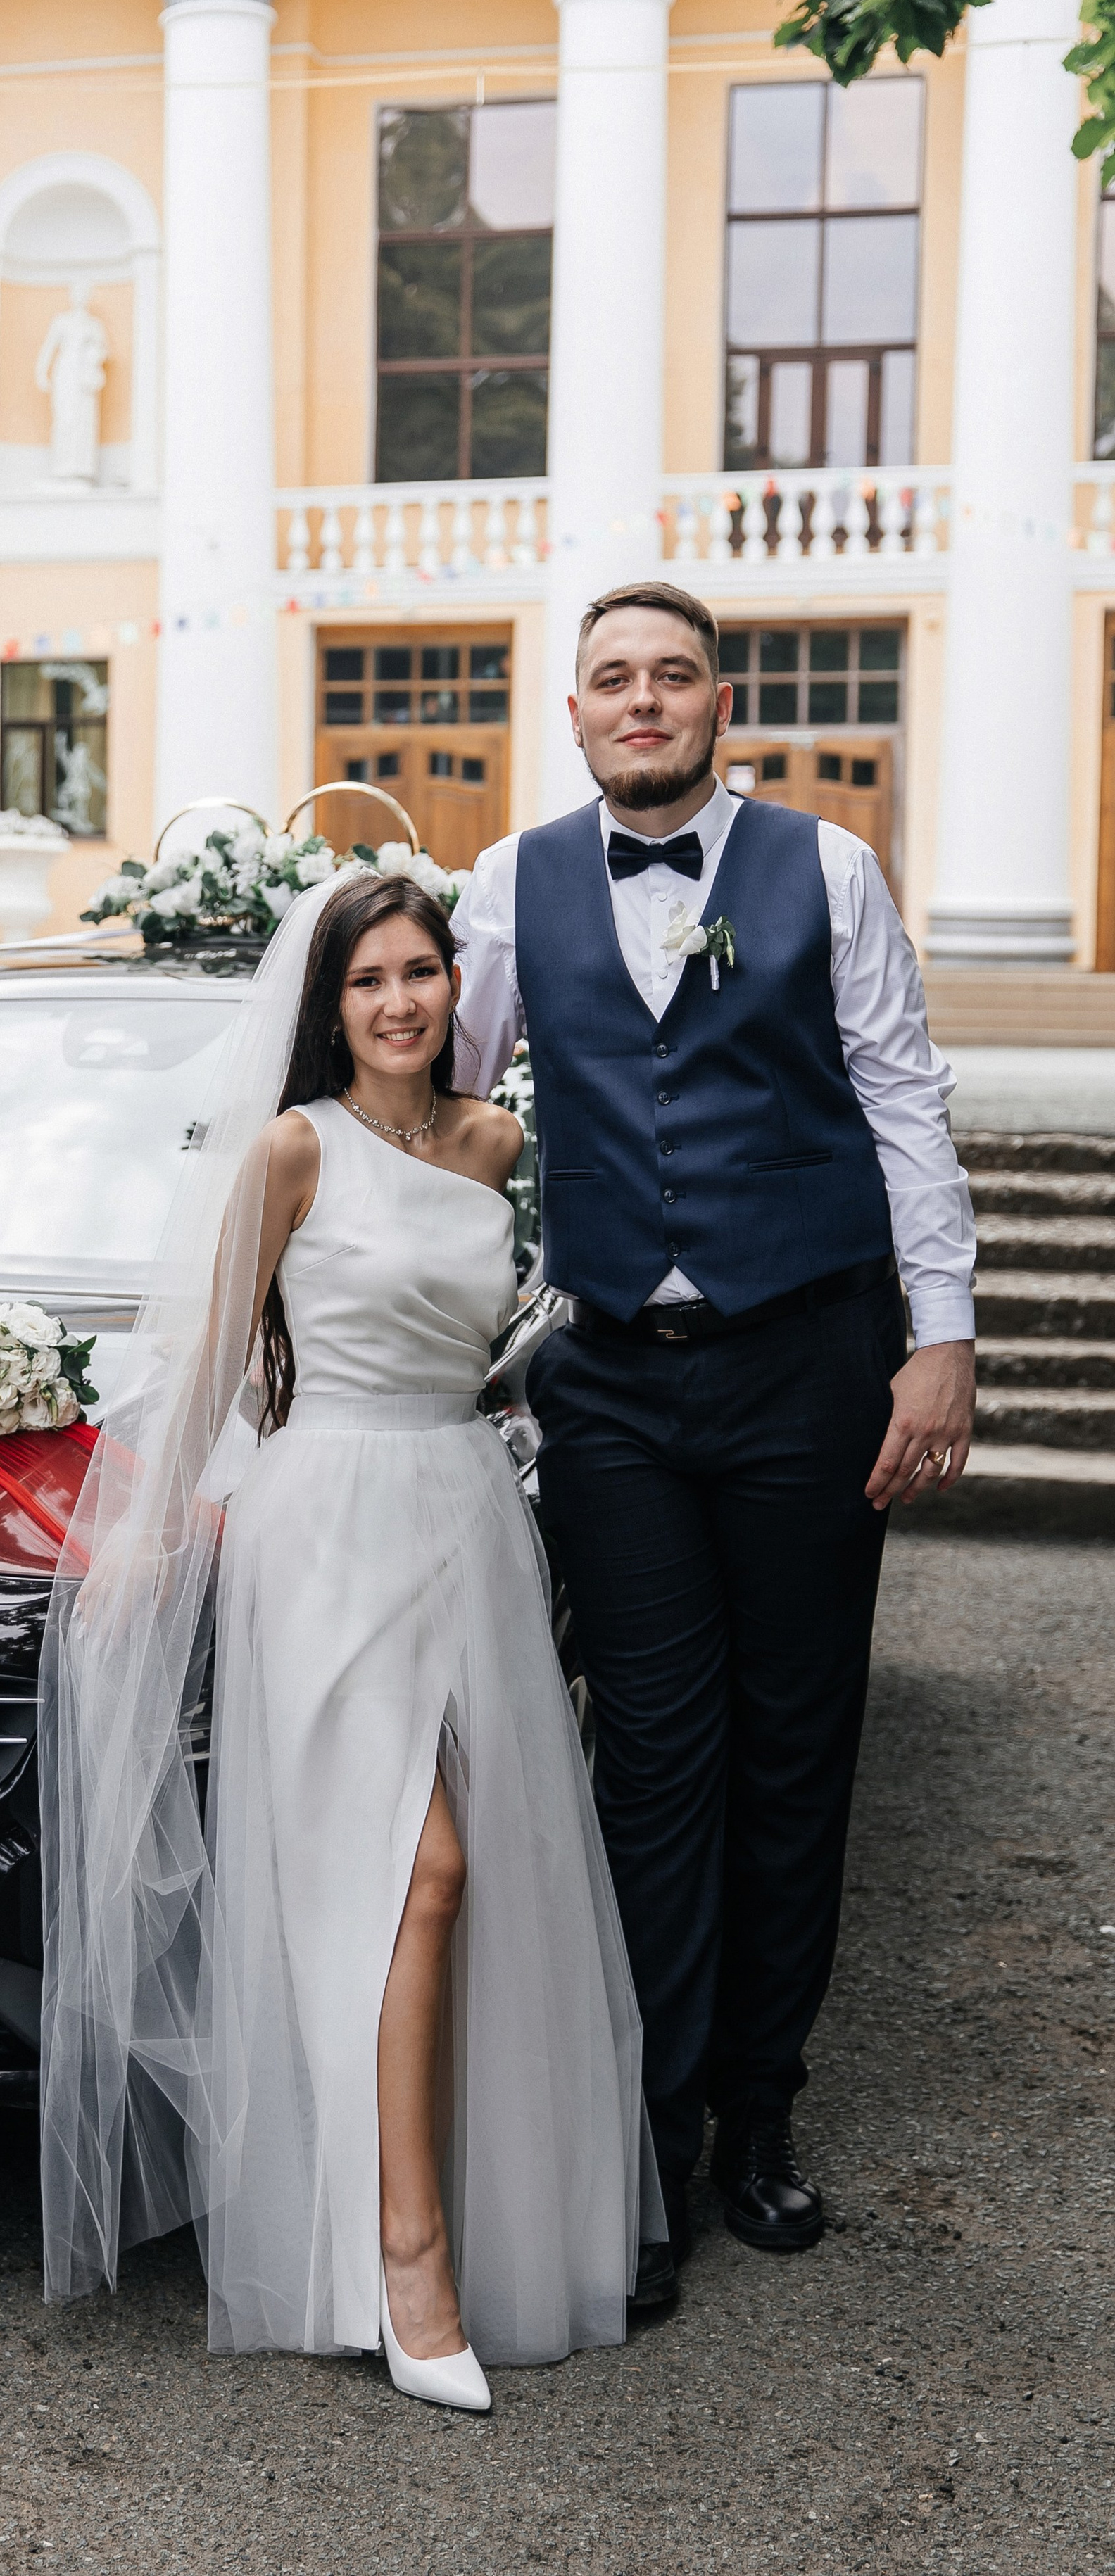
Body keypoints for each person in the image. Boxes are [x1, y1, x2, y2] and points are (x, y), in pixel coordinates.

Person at [40, 871, 664, 2407]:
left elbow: (498, 1346)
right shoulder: (289, 1151)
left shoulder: (495, 1146)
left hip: (464, 1518)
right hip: (323, 1528)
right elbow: (203, 1356)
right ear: (328, 1007)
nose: (397, 1001)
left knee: (476, 1879)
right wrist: (151, 1516)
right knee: (417, 1867)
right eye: (366, 979)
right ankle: (406, 2262)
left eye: (420, 972)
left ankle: (455, 2219)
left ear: (457, 987)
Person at [452, 579, 976, 2294]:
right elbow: (442, 1096)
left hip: (811, 1361)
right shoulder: (507, 885)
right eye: (611, 678)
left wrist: (940, 1343)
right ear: (576, 712)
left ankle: (760, 2111)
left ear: (716, 701)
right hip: (608, 1377)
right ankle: (648, 2143)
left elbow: (902, 1098)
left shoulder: (822, 867)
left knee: (790, 1749)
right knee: (647, 1763)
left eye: (670, 674)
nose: (642, 699)